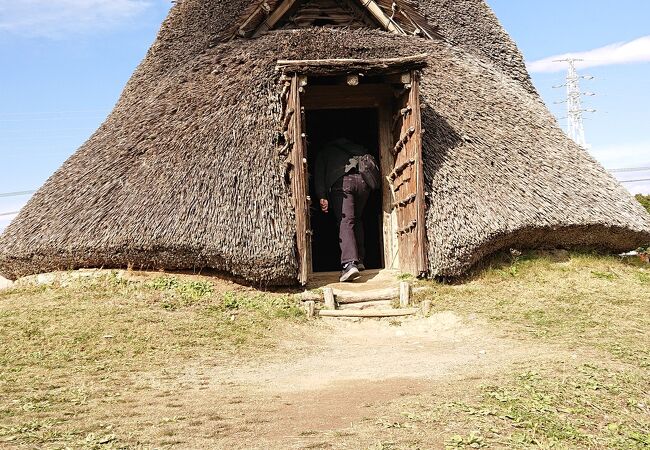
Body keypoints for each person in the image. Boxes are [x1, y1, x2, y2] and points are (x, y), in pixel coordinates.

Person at [315, 137, 372, 282]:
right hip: (363, 183)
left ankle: (349, 264)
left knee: (345, 221)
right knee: (355, 220)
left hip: (342, 183)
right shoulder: (358, 147)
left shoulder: (325, 152)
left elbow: (319, 175)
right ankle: (359, 260)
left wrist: (322, 196)